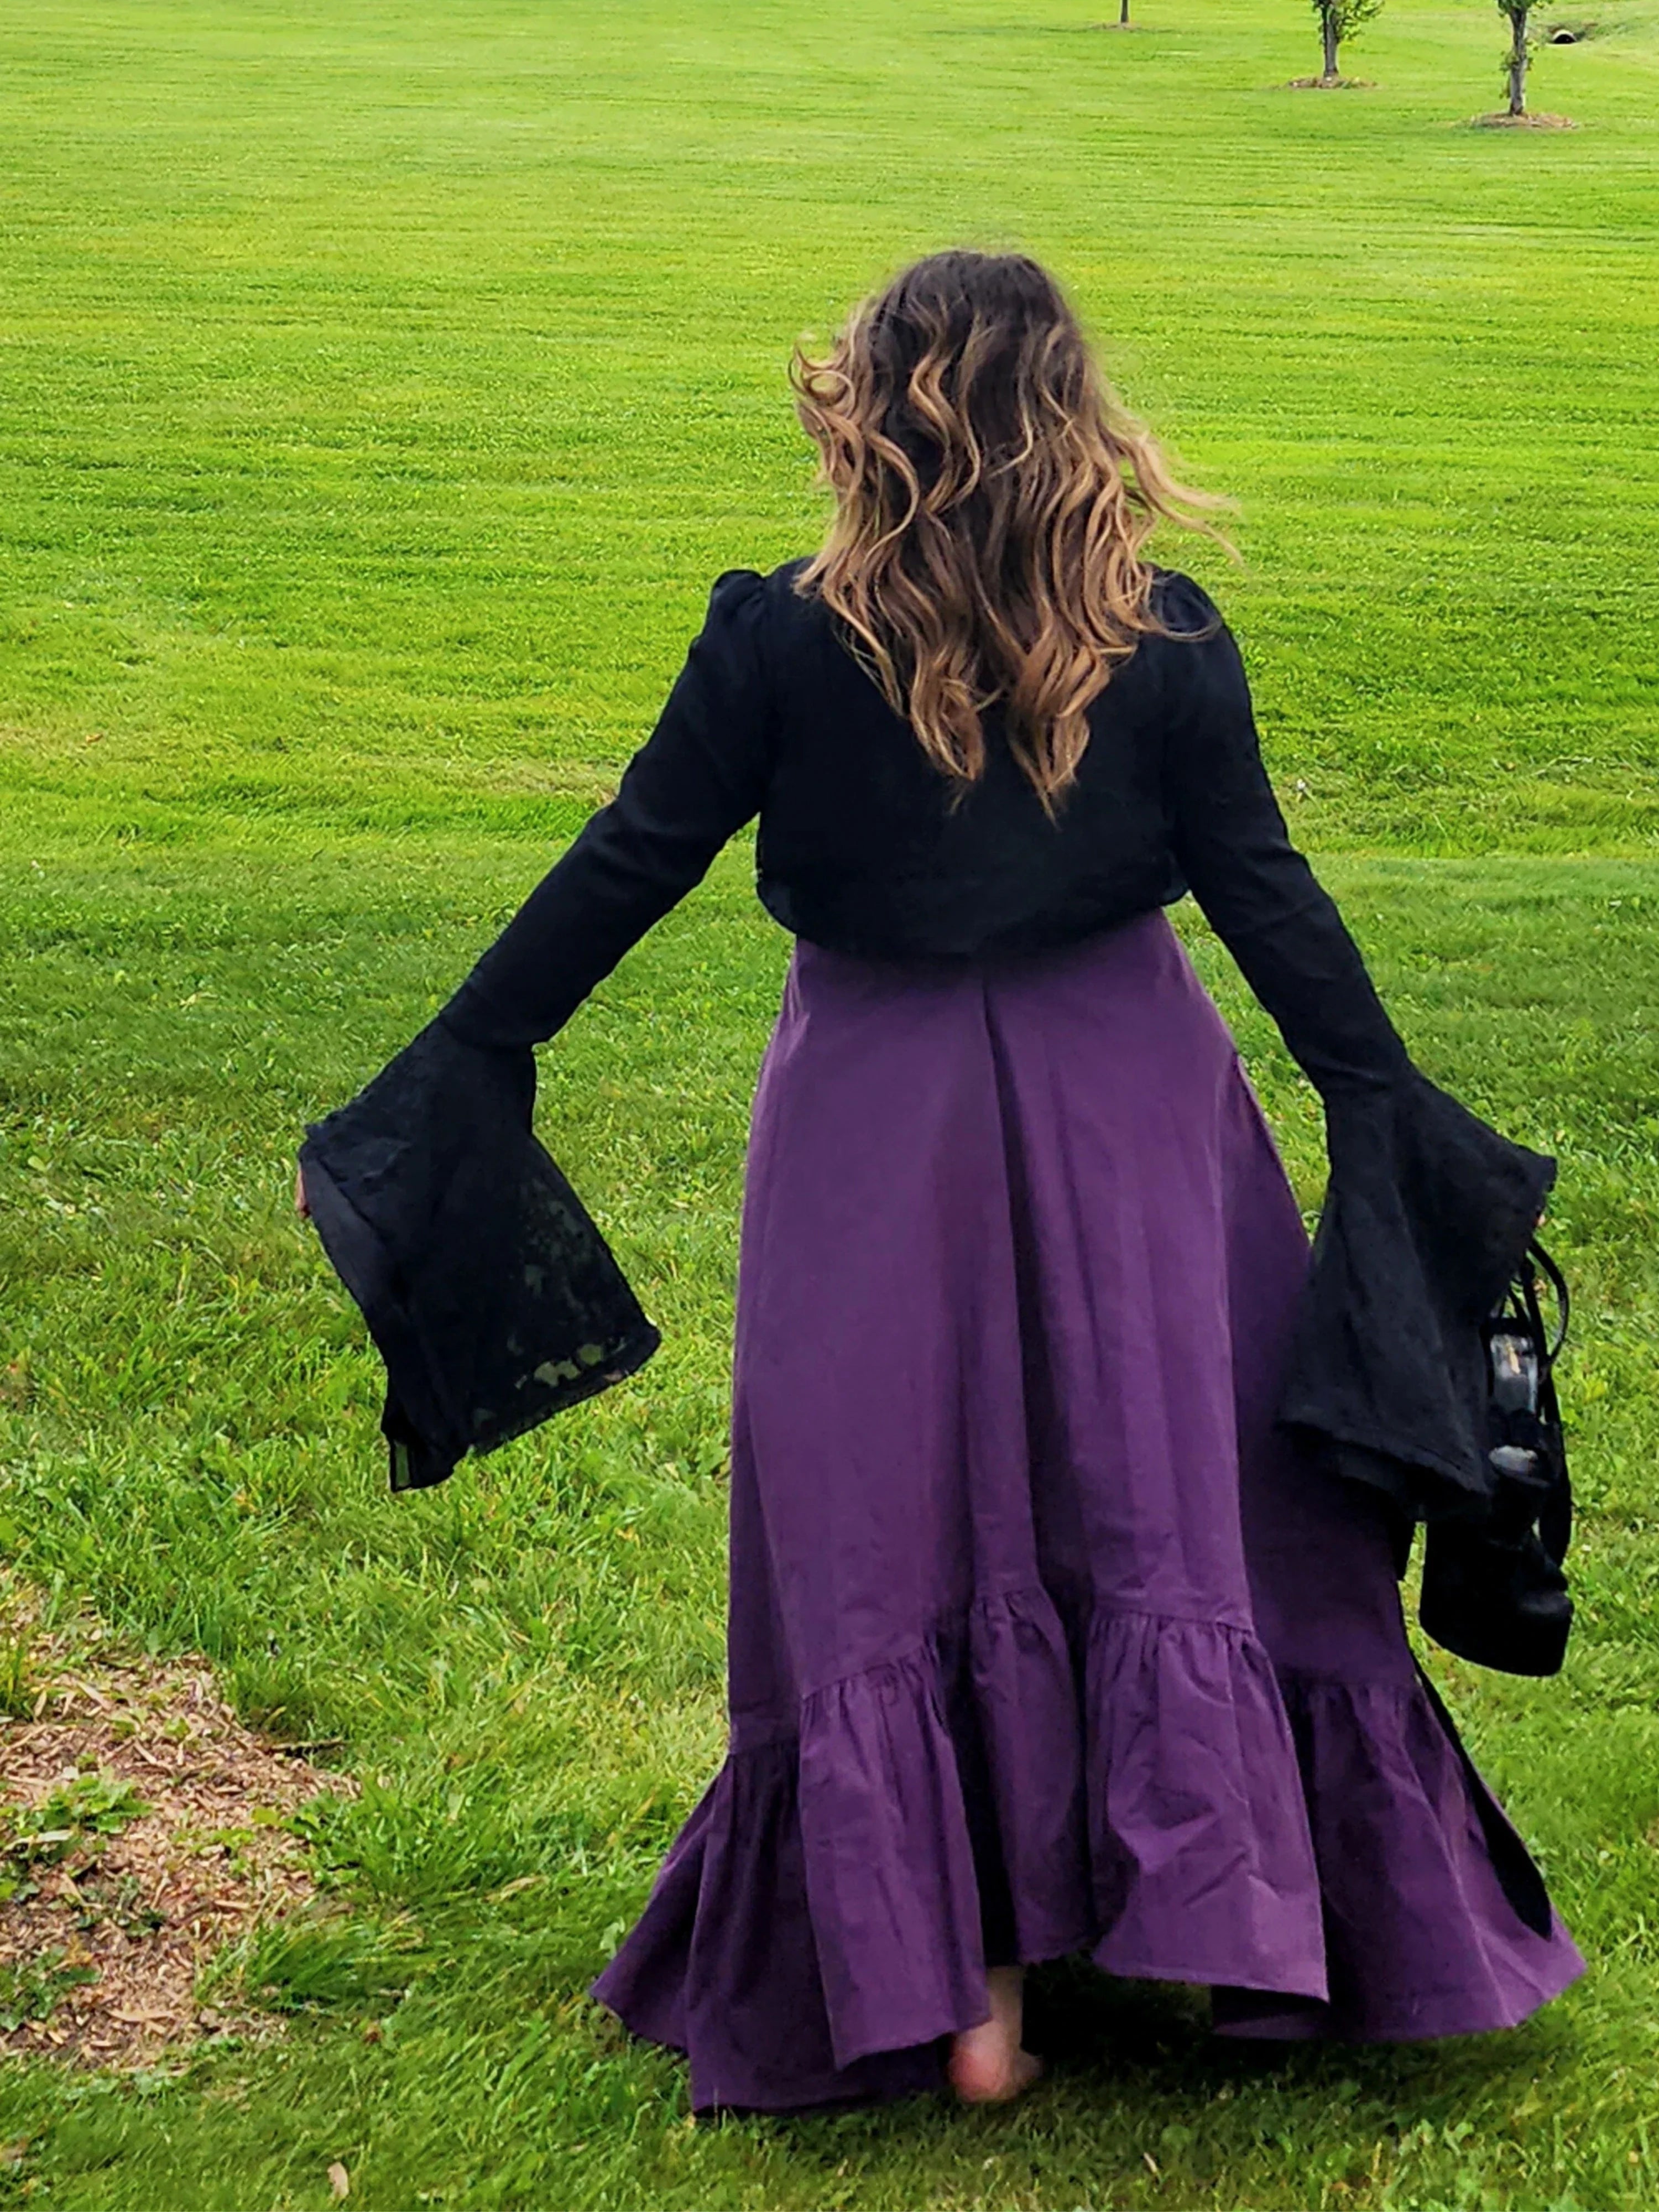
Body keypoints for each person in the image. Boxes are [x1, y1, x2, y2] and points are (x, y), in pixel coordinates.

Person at [299, 249, 1583, 2112]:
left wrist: (475, 1054)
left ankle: (969, 1995)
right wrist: (1375, 1099)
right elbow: (1267, 897)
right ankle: (1238, 1937)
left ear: (872, 413)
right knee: (1172, 1495)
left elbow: (626, 860)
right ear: (1078, 420)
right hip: (1136, 1113)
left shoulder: (779, 641)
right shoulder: (1165, 644)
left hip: (869, 1122)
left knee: (894, 1519)